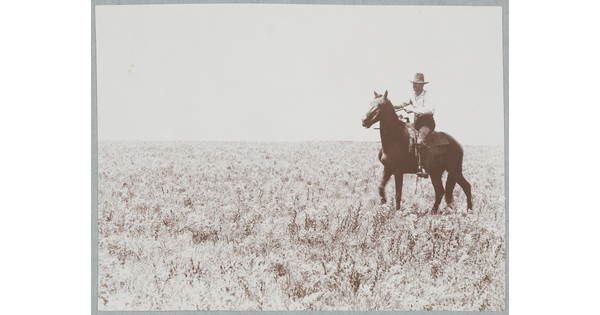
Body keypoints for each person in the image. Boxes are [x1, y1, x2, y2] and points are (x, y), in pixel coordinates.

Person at [393, 73, 436, 178]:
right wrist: (389, 106)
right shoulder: (412, 96)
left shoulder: (427, 95)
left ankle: (424, 167)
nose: (414, 85)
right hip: (416, 124)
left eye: (417, 84)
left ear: (422, 85)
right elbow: (402, 104)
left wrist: (412, 110)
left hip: (427, 124)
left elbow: (429, 110)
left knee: (420, 141)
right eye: (413, 83)